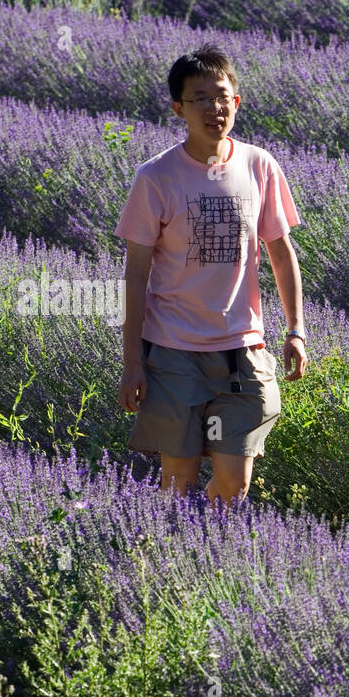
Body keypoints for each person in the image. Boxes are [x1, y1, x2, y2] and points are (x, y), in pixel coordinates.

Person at [115, 43, 308, 506]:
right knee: (177, 480)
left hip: (243, 350)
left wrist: (297, 330)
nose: (213, 108)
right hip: (174, 351)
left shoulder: (260, 166)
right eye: (199, 99)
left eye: (222, 96)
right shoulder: (156, 177)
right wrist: (132, 361)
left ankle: (208, 551)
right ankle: (170, 561)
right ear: (178, 108)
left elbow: (282, 254)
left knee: (235, 482)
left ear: (236, 102)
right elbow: (135, 275)